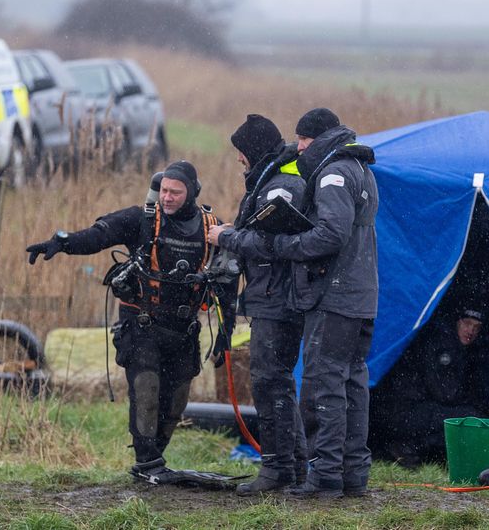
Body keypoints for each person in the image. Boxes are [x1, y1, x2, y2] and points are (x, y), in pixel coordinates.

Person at [26, 160, 235, 483]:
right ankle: (147, 462)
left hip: (184, 330)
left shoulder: (212, 227)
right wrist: (61, 242)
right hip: (142, 324)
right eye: (164, 190)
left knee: (176, 401)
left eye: (175, 193)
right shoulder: (141, 219)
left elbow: (227, 280)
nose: (167, 198)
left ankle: (155, 458)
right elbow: (98, 236)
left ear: (192, 192)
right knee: (146, 390)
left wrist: (225, 332)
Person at [210, 107, 378, 498]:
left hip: (332, 293)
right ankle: (349, 473)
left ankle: (321, 475)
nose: (297, 147)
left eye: (302, 140)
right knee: (350, 380)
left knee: (324, 384)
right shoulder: (360, 167)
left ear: (318, 138)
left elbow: (329, 236)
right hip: (358, 291)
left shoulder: (333, 173)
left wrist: (274, 244)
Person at [206, 114, 308, 495]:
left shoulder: (280, 188)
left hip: (277, 299)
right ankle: (294, 467)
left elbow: (269, 244)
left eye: (241, 152)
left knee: (269, 383)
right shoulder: (269, 183)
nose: (238, 160)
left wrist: (227, 237)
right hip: (271, 296)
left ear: (255, 150)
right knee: (277, 383)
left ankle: (278, 469)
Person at [371, 309, 485, 468]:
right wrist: (473, 402)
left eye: (477, 327)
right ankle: (406, 447)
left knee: (462, 417)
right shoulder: (443, 346)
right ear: (457, 323)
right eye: (467, 324)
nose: (471, 331)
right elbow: (445, 392)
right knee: (470, 418)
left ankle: (407, 447)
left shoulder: (447, 342)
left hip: (401, 409)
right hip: (403, 411)